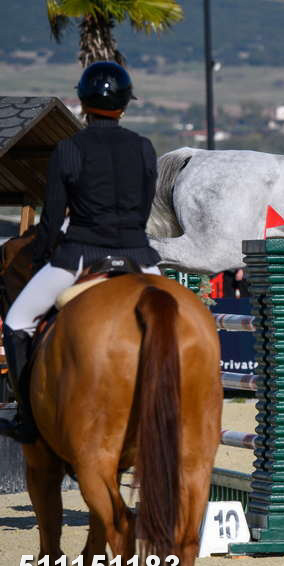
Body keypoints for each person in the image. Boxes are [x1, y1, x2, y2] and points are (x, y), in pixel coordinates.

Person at [0, 62, 162, 443]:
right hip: (140, 258)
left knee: (17, 322)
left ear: (83, 103)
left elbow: (53, 216)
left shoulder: (69, 149)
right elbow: (143, 210)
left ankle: (28, 418)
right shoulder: (143, 148)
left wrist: (41, 254)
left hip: (80, 256)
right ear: (125, 105)